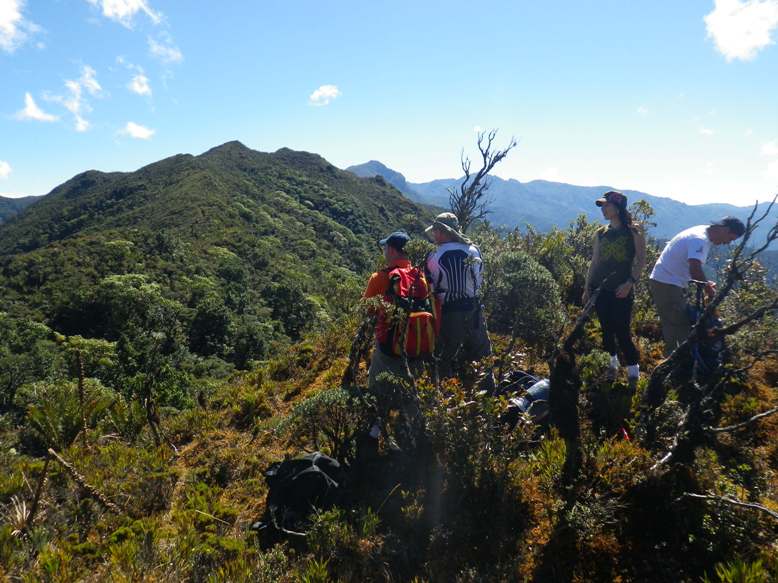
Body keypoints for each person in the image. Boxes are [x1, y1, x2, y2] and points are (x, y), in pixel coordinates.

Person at [362, 229, 425, 451]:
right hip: (418, 346)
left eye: (384, 248)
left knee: (378, 387)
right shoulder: (421, 276)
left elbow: (367, 309)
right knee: (409, 390)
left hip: (388, 345)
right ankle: (411, 436)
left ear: (390, 249)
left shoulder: (380, 278)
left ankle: (373, 432)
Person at [649, 216, 746, 356]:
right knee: (679, 325)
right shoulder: (699, 240)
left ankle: (675, 360)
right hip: (667, 283)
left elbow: (687, 265)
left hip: (667, 281)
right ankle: (676, 363)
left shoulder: (701, 232)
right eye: (730, 239)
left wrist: (704, 283)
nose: (727, 243)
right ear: (725, 230)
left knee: (674, 322)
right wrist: (709, 290)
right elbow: (694, 269)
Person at [583, 191, 646, 388]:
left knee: (622, 331)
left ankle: (633, 371)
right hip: (600, 290)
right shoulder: (601, 233)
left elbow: (641, 260)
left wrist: (629, 283)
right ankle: (613, 364)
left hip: (622, 290)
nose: (603, 209)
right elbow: (594, 262)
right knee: (607, 330)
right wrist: (587, 287)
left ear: (617, 208)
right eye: (602, 206)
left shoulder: (633, 232)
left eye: (606, 205)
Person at [424, 212, 492, 385]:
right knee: (482, 355)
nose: (433, 235)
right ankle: (487, 396)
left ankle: (446, 401)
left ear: (441, 231)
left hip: (448, 314)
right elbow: (480, 279)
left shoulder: (433, 256)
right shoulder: (473, 250)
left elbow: (430, 288)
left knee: (445, 358)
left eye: (435, 231)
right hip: (474, 310)